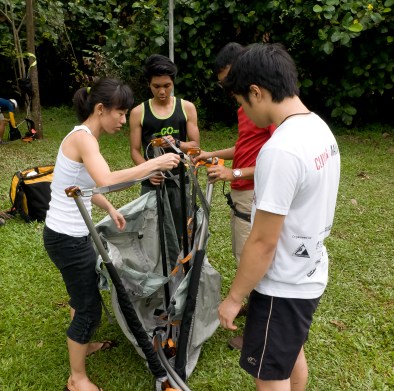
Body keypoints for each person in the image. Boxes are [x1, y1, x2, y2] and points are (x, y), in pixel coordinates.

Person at [43, 79, 180, 391]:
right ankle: (77, 379)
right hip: (68, 238)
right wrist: (153, 163)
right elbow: (105, 177)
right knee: (89, 309)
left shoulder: (85, 137)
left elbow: (84, 186)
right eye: (120, 113)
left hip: (68, 235)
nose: (123, 120)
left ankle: (82, 344)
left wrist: (108, 207)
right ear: (100, 109)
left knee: (83, 295)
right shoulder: (84, 139)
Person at [218, 43, 341, 391]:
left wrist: (234, 299)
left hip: (282, 285)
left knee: (269, 376)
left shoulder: (281, 149)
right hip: (310, 272)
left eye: (243, 102)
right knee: (290, 353)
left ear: (256, 92)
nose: (245, 111)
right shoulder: (319, 129)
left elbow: (262, 241)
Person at [192, 42, 276, 350]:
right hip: (241, 193)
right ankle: (251, 310)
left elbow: (273, 160)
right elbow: (243, 148)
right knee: (243, 255)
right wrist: (211, 154)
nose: (229, 88)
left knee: (252, 259)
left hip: (253, 192)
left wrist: (234, 174)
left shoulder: (266, 111)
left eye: (230, 79)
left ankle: (258, 332)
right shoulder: (245, 109)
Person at [129, 54, 200, 246]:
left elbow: (195, 146)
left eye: (167, 86)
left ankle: (185, 269)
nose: (162, 91)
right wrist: (148, 172)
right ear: (149, 84)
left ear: (173, 83)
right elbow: (135, 150)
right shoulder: (138, 112)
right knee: (152, 233)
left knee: (183, 231)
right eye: (156, 86)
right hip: (152, 181)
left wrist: (176, 143)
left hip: (180, 181)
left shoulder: (187, 108)